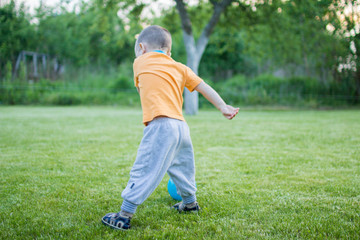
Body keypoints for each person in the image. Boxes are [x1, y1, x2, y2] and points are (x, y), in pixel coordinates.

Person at [102, 25, 239, 230]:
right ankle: (190, 204)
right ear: (169, 52)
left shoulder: (139, 61)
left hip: (160, 124)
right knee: (183, 167)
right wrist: (222, 106)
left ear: (142, 47)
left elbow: (142, 90)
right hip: (181, 126)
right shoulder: (180, 67)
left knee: (145, 167)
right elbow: (203, 86)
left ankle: (124, 214)